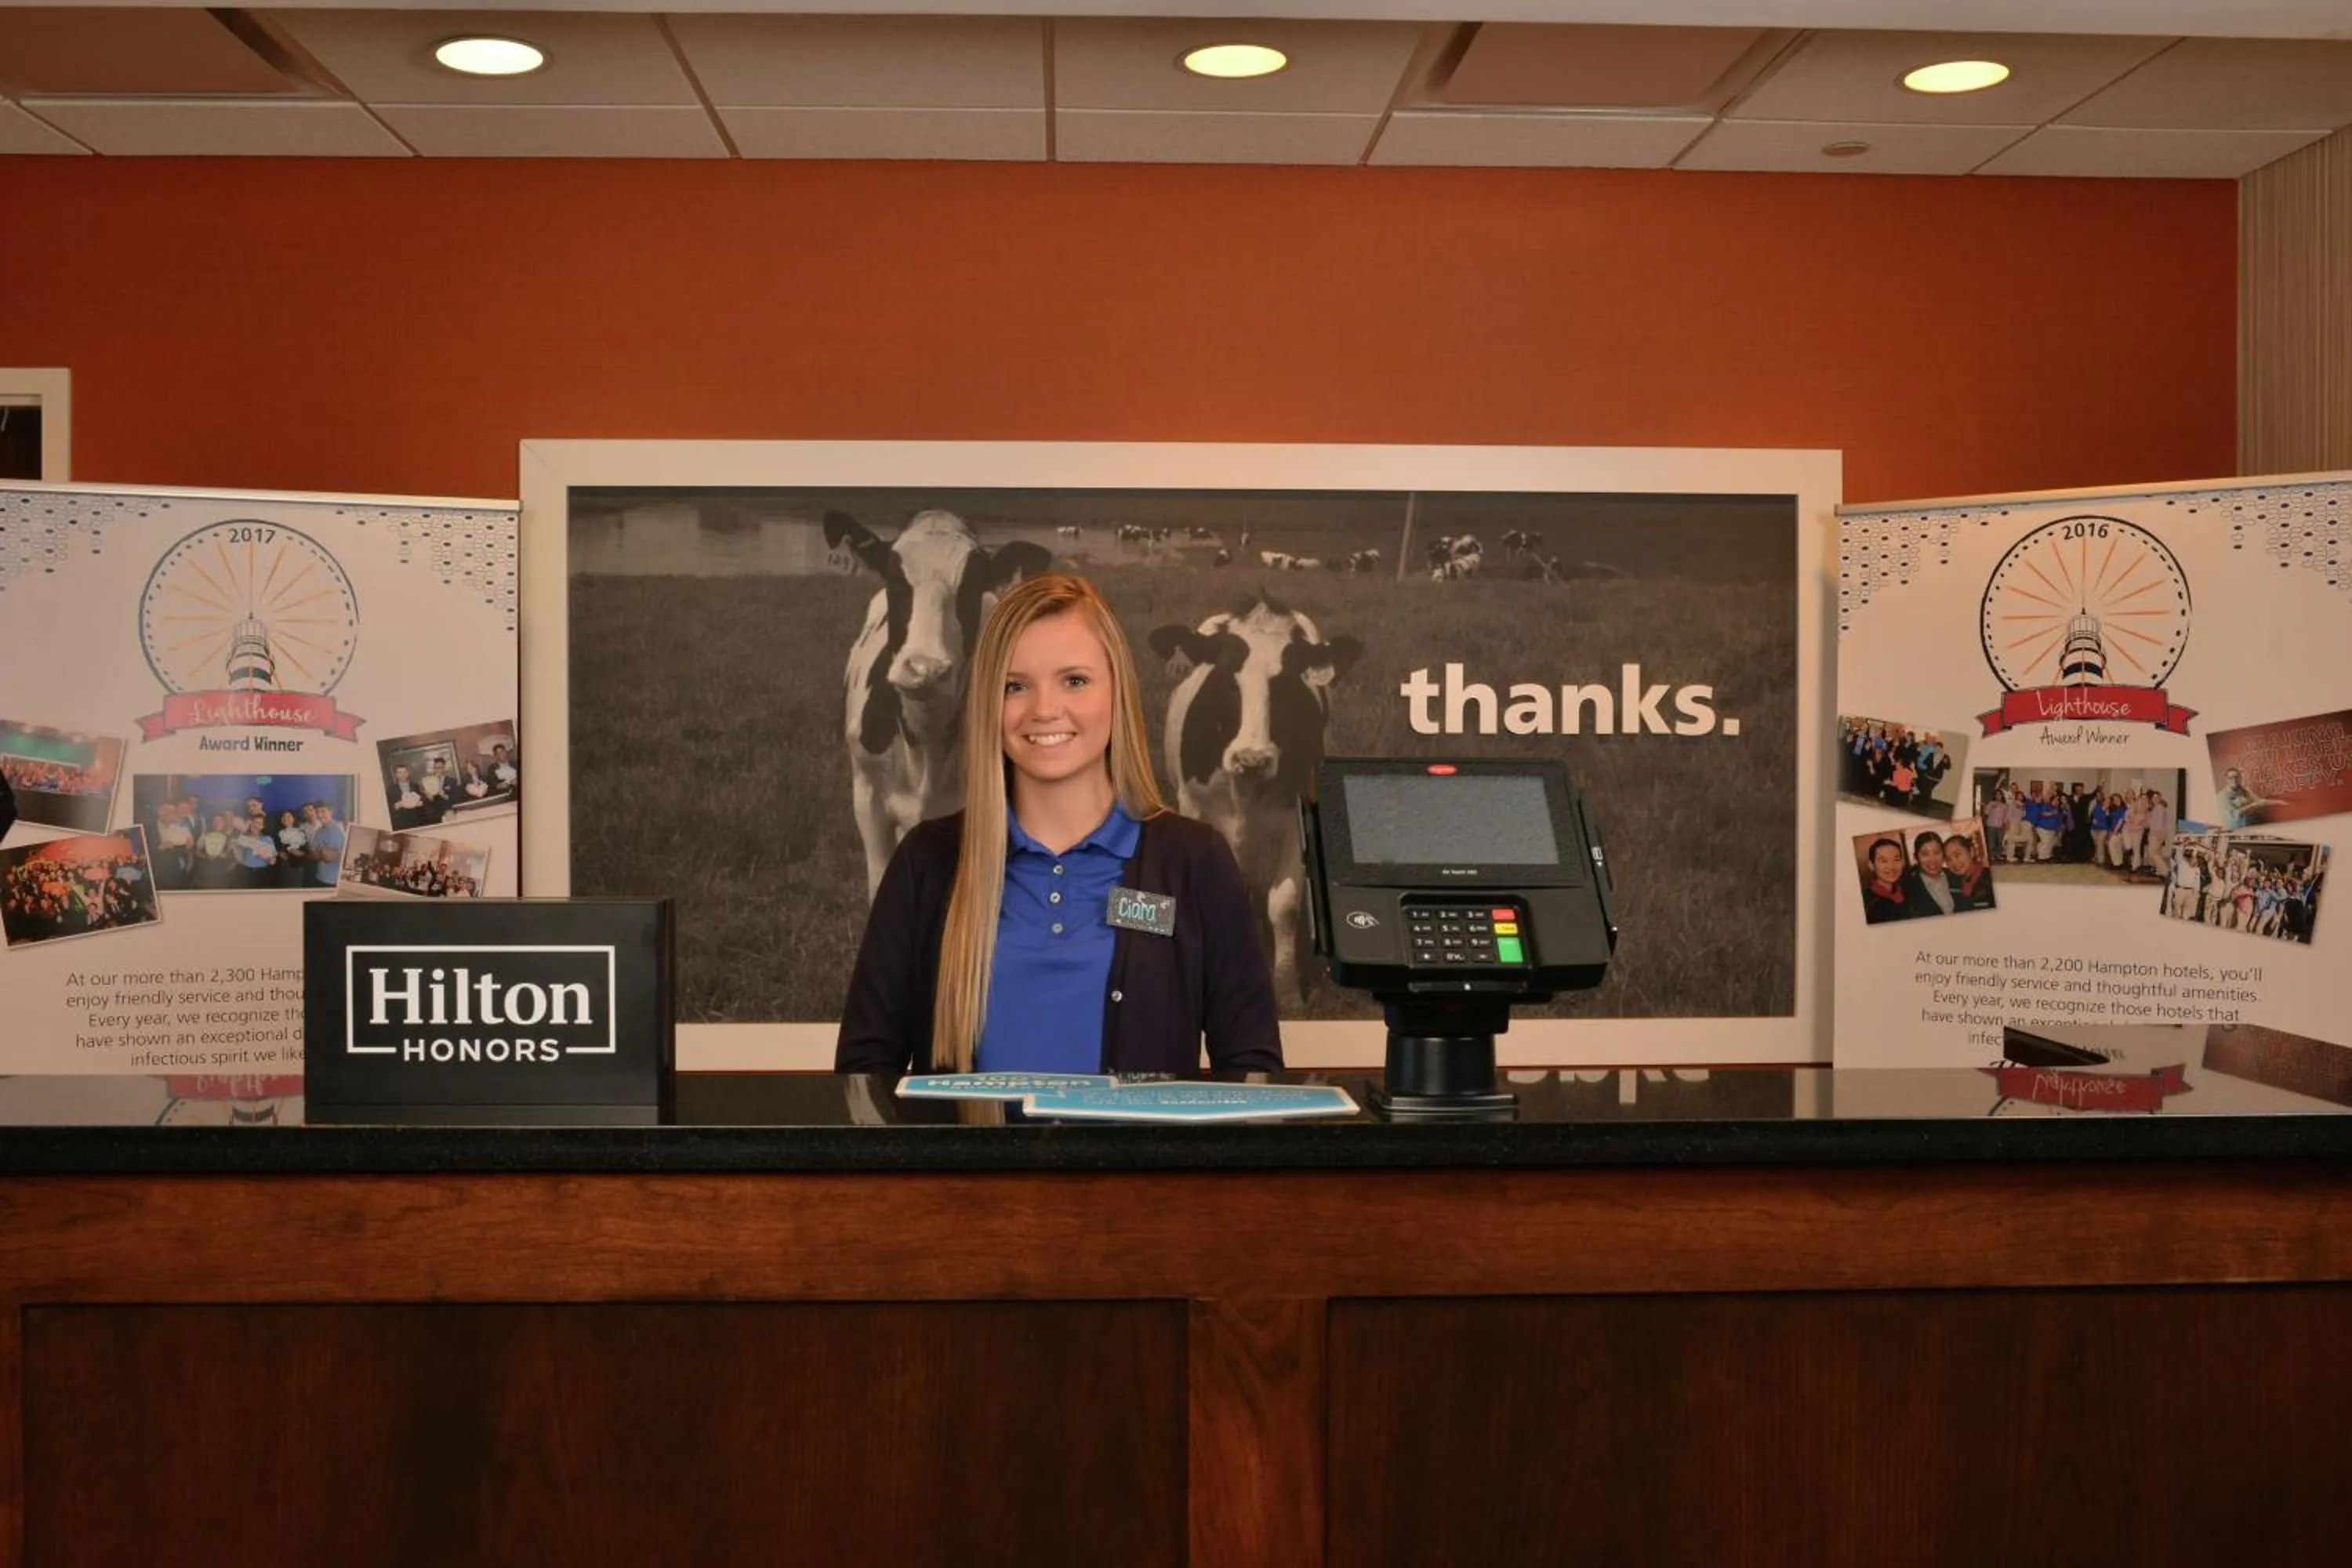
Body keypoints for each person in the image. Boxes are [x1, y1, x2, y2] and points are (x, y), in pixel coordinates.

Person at [837, 572, 1282, 1075]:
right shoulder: (928, 863)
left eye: (1074, 680)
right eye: (1016, 685)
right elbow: (865, 1071)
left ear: (1117, 692)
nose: (1045, 709)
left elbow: (1250, 1064)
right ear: (986, 703)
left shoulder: (1195, 862)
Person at [1900, 829, 1958, 918]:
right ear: (1916, 857)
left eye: (1937, 853)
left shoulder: (1955, 875)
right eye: (1925, 854)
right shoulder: (1908, 887)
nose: (1932, 860)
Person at [1860, 837, 1911, 924]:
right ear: (1871, 865)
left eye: (1896, 860)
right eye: (1884, 861)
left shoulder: (1908, 889)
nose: (1892, 867)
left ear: (1903, 862)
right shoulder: (1869, 904)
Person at [2216, 768, 2284, 830]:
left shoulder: (2244, 791)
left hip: (2249, 828)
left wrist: (2279, 802)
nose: (2234, 780)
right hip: (2234, 831)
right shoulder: (2223, 795)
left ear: (2240, 778)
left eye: (2236, 777)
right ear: (2227, 780)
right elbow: (2234, 815)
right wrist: (2252, 806)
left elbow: (2260, 802)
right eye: (2230, 778)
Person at [1945, 833, 1994, 911]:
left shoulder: (1991, 880)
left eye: (1957, 855)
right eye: (1948, 859)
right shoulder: (1950, 883)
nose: (1954, 863)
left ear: (1971, 852)